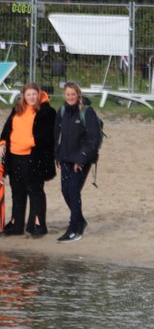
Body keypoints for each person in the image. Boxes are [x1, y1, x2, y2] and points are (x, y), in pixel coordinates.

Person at [1, 83, 55, 238]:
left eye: (34, 94)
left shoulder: (46, 112)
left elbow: (48, 135)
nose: (31, 97)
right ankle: (16, 223)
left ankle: (38, 224)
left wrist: (30, 142)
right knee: (17, 191)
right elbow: (7, 129)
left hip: (34, 157)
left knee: (35, 191)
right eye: (28, 94)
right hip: (14, 156)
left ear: (39, 94)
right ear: (23, 96)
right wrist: (2, 143)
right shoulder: (17, 109)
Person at [52, 81, 101, 242]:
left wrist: (81, 158)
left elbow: (94, 139)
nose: (71, 97)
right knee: (65, 191)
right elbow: (57, 135)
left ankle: (74, 229)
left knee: (73, 191)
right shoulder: (62, 111)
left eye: (73, 94)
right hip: (65, 158)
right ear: (64, 95)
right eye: (68, 94)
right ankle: (80, 221)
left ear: (78, 94)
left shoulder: (87, 112)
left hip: (82, 160)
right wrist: (57, 155)